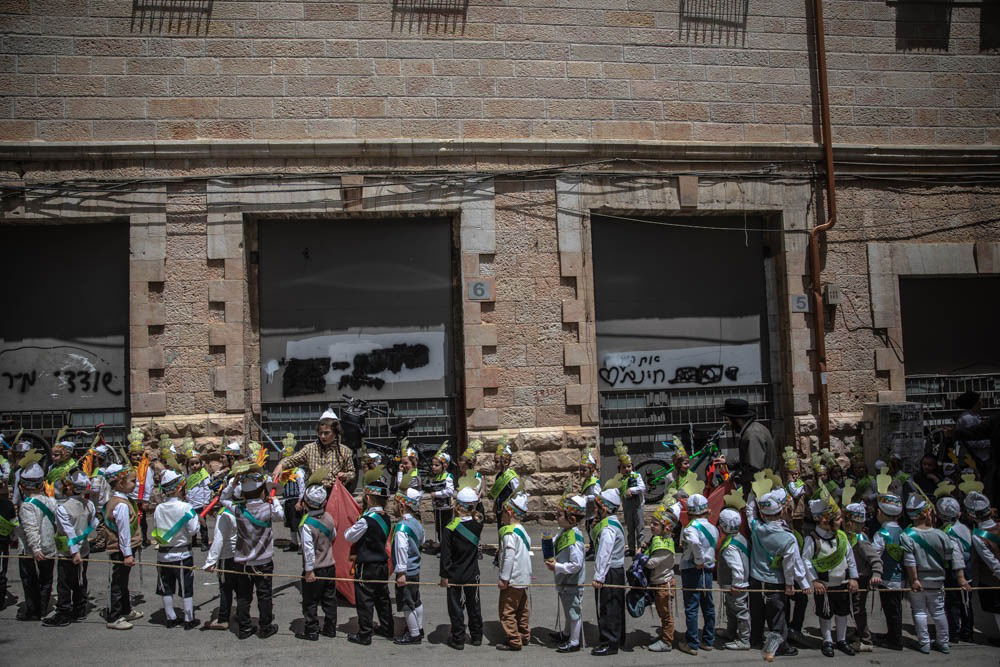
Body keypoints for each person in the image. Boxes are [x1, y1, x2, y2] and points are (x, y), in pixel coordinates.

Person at [902, 493, 971, 654]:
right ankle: (943, 642)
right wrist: (960, 578)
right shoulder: (942, 535)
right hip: (938, 581)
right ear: (927, 513)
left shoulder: (907, 536)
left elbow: (909, 561)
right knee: (939, 611)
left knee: (919, 611)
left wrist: (914, 580)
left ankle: (924, 643)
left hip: (918, 580)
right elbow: (952, 558)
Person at [223, 468, 283, 639]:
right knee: (264, 595)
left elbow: (223, 499)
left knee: (243, 596)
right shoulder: (268, 509)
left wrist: (232, 484)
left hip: (243, 561)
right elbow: (281, 515)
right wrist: (274, 499)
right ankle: (265, 627)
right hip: (263, 561)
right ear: (263, 489)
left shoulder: (238, 510)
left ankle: (245, 628)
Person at [748, 487, 807, 658]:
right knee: (777, 616)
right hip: (776, 581)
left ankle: (756, 638)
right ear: (781, 511)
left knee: (757, 612)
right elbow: (791, 565)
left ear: (763, 513)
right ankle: (780, 646)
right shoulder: (788, 538)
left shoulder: (757, 528)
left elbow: (750, 512)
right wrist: (792, 584)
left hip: (756, 579)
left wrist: (754, 492)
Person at [802, 494, 858, 658]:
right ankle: (827, 640)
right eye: (838, 518)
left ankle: (841, 639)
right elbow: (806, 561)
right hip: (824, 585)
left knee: (842, 612)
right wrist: (814, 580)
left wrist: (853, 578)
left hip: (842, 583)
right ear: (824, 520)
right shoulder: (812, 539)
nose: (841, 521)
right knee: (825, 613)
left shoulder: (842, 537)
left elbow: (850, 558)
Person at [345, 467, 394, 646]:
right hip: (381, 564)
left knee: (365, 600)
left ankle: (365, 634)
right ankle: (387, 627)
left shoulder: (366, 519)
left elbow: (348, 536)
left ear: (368, 498)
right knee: (382, 597)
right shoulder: (386, 517)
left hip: (366, 565)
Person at [152, 469, 200, 629]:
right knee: (186, 587)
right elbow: (193, 530)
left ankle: (170, 617)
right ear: (179, 487)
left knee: (166, 587)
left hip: (163, 555)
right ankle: (188, 618)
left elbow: (157, 527)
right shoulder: (186, 507)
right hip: (182, 554)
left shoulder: (159, 508)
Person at [48, 469, 97, 626]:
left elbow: (68, 531)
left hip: (68, 551)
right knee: (80, 578)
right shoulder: (89, 505)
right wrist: (84, 537)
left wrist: (74, 551)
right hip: (84, 549)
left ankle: (63, 612)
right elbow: (93, 525)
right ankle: (79, 608)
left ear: (69, 487)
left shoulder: (63, 508)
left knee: (64, 582)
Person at [439, 481, 484, 650]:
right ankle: (477, 635)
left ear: (457, 505)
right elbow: (479, 514)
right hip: (473, 572)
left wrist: (444, 575)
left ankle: (458, 638)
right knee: (474, 604)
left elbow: (446, 555)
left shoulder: (450, 528)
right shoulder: (478, 524)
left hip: (454, 573)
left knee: (456, 606)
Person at [102, 464, 144, 630]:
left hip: (124, 548)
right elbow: (124, 532)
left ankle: (125, 609)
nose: (137, 484)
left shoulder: (124, 501)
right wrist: (127, 554)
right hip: (121, 549)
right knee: (118, 582)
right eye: (133, 481)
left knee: (123, 581)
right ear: (120, 483)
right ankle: (114, 616)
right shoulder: (120, 505)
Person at [272, 408, 355, 491]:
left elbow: (352, 472)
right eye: (320, 433)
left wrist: (345, 475)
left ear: (335, 433)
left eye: (326, 433)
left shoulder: (345, 451)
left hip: (336, 493)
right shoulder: (309, 449)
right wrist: (281, 465)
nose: (322, 436)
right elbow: (292, 460)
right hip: (313, 493)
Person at [677, 493, 718, 655]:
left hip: (692, 569)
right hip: (708, 569)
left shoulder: (691, 529)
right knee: (708, 605)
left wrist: (698, 559)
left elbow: (694, 542)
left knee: (692, 606)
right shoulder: (712, 527)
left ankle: (692, 643)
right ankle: (708, 640)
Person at [297, 480, 338, 641]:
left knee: (310, 601)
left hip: (315, 568)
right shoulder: (328, 517)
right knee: (329, 599)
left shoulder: (306, 524)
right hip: (330, 565)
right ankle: (330, 627)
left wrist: (309, 570)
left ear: (306, 503)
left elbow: (308, 550)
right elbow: (333, 536)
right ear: (324, 502)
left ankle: (312, 630)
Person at [546, 493, 587, 654]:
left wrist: (558, 567)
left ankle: (575, 641)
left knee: (574, 611)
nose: (556, 517)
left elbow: (576, 564)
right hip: (564, 580)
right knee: (567, 608)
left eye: (560, 514)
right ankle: (567, 633)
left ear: (571, 517)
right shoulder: (564, 531)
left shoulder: (575, 537)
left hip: (573, 581)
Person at [17, 462, 57, 623]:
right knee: (46, 579)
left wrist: (35, 548)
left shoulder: (27, 505)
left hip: (31, 549)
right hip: (49, 546)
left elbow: (31, 529)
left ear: (23, 486)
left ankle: (33, 610)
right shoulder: (51, 501)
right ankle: (43, 607)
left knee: (29, 579)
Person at [591, 486, 626, 656]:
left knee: (609, 606)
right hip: (615, 570)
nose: (595, 511)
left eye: (597, 507)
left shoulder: (608, 529)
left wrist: (599, 576)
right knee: (615, 604)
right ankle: (618, 637)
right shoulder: (611, 522)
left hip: (610, 571)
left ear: (604, 508)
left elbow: (604, 554)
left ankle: (610, 642)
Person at [496, 491, 532, 651]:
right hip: (523, 577)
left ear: (509, 512)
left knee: (507, 611)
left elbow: (509, 556)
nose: (500, 515)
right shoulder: (522, 530)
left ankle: (513, 640)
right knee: (522, 609)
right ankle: (524, 635)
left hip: (513, 579)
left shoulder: (509, 532)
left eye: (502, 511)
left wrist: (504, 578)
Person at [872, 484, 905, 651]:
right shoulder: (902, 531)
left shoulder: (882, 534)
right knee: (895, 609)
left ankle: (895, 640)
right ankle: (892, 634)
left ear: (879, 513)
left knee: (892, 610)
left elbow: (875, 554)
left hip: (887, 578)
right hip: (899, 578)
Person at [392, 480, 425, 645]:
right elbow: (422, 540)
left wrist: (401, 572)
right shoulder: (417, 523)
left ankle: (413, 634)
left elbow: (401, 550)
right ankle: (419, 627)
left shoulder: (402, 527)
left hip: (407, 571)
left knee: (407, 604)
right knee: (416, 599)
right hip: (416, 568)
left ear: (403, 506)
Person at [937, 495, 974, 643]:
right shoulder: (963, 527)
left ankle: (955, 632)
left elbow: (956, 555)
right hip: (968, 567)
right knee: (966, 602)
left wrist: (960, 577)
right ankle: (967, 630)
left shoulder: (949, 531)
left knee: (953, 603)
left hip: (956, 571)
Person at [844, 501, 880, 652]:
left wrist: (877, 573)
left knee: (859, 609)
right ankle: (859, 632)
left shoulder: (861, 539)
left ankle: (866, 638)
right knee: (853, 607)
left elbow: (875, 559)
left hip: (861, 577)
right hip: (851, 576)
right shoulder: (848, 536)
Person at [966, 491, 1000, 640]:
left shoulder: (978, 536)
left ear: (972, 515)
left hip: (994, 580)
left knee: (998, 610)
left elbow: (992, 562)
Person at [203, 484, 238, 630]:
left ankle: (223, 617)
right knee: (241, 587)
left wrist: (211, 561)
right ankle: (243, 614)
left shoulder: (224, 514)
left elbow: (219, 539)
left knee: (225, 587)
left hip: (227, 555)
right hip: (242, 554)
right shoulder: (243, 509)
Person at [721, 398, 777, 488]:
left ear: (736, 419)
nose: (728, 423)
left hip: (761, 490)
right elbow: (749, 459)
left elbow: (754, 467)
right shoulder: (754, 429)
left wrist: (734, 476)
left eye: (728, 420)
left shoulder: (752, 434)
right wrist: (727, 463)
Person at [644, 503, 677, 653]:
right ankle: (664, 636)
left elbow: (651, 563)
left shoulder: (664, 546)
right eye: (651, 523)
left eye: (656, 524)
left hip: (664, 584)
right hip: (658, 582)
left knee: (666, 614)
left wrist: (640, 556)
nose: (652, 526)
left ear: (666, 528)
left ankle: (667, 641)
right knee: (661, 612)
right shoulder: (658, 540)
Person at [718, 506, 751, 651]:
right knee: (731, 609)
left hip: (737, 586)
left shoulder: (730, 546)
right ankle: (730, 632)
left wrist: (737, 584)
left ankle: (744, 640)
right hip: (735, 584)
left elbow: (737, 567)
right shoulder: (740, 537)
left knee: (740, 611)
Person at [954, 391, 994, 498]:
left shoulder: (973, 416)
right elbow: (973, 441)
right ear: (975, 403)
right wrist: (991, 441)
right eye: (980, 401)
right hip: (976, 459)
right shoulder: (968, 418)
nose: (982, 403)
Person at [614, 442, 645, 557]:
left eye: (629, 466)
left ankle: (640, 547)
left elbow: (642, 487)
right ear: (620, 469)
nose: (627, 469)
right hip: (627, 506)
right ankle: (631, 548)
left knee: (639, 527)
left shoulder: (636, 476)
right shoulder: (620, 479)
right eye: (624, 467)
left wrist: (632, 490)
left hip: (638, 506)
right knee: (630, 528)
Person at [426, 444, 455, 556]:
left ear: (445, 465)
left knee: (445, 528)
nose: (433, 467)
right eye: (432, 465)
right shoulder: (435, 477)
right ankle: (441, 546)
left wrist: (436, 494)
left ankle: (446, 549)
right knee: (438, 528)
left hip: (446, 508)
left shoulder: (448, 477)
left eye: (436, 465)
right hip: (437, 507)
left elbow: (450, 491)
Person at [183, 453, 213, 551]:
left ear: (201, 464)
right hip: (190, 503)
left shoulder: (203, 475)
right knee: (191, 522)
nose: (194, 466)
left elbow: (207, 489)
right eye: (192, 464)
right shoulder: (187, 476)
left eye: (196, 463)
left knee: (202, 523)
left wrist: (206, 502)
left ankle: (204, 542)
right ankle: (193, 540)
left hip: (201, 503)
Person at [578, 447, 601, 559]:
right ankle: (591, 548)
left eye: (584, 470)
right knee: (589, 530)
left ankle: (595, 551)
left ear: (591, 470)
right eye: (581, 469)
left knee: (593, 531)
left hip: (594, 512)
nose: (582, 472)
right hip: (588, 512)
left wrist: (585, 498)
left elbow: (598, 496)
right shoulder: (586, 481)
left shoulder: (594, 482)